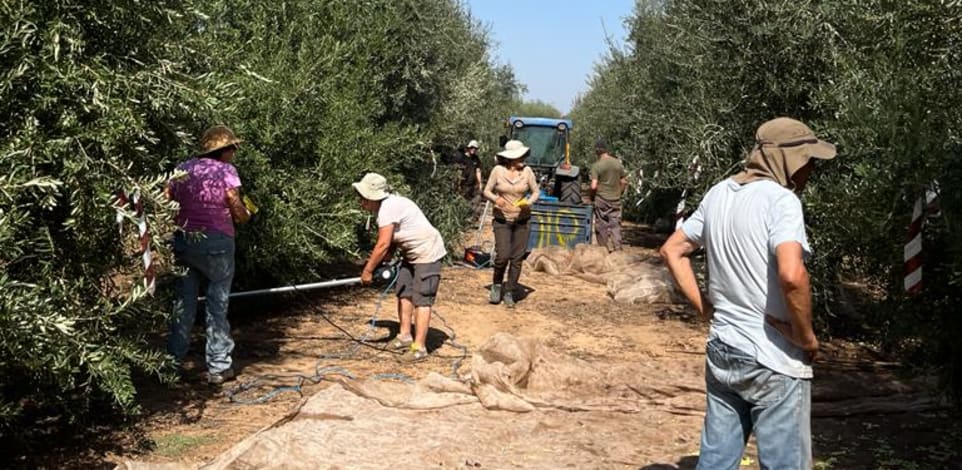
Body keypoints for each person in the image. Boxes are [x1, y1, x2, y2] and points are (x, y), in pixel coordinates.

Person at [659, 117, 836, 469]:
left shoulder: (719, 193)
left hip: (724, 349)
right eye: (809, 160)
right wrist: (806, 338)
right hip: (774, 359)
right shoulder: (782, 202)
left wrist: (706, 310)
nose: (811, 170)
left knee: (716, 460)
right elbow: (791, 274)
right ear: (789, 160)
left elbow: (672, 250)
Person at [167, 125, 251, 385]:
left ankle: (171, 365)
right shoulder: (226, 171)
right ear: (222, 150)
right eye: (232, 148)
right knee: (217, 303)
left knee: (183, 304)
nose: (234, 153)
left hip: (185, 241)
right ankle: (218, 365)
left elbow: (165, 199)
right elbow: (235, 207)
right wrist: (246, 215)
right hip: (217, 243)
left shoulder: (182, 169)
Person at [355, 172, 447, 362]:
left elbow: (382, 245)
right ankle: (405, 335)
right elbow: (392, 243)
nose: (360, 201)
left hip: (427, 251)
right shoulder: (387, 207)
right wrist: (381, 263)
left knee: (422, 299)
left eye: (363, 198)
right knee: (404, 291)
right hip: (411, 253)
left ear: (373, 197)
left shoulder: (388, 209)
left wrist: (368, 271)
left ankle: (419, 347)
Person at [483, 139, 539, 308]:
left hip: (522, 220)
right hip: (502, 219)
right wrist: (495, 199)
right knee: (503, 256)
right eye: (520, 155)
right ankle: (497, 284)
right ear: (510, 158)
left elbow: (536, 191)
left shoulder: (527, 172)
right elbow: (486, 190)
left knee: (517, 258)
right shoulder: (497, 171)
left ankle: (510, 291)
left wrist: (529, 202)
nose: (523, 158)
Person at [589, 139, 628, 252]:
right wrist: (619, 193)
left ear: (597, 151)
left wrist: (591, 197)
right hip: (615, 200)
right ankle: (617, 249)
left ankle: (603, 250)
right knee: (615, 224)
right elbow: (624, 182)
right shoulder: (617, 163)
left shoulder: (597, 166)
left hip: (601, 199)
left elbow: (593, 186)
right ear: (606, 150)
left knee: (601, 225)